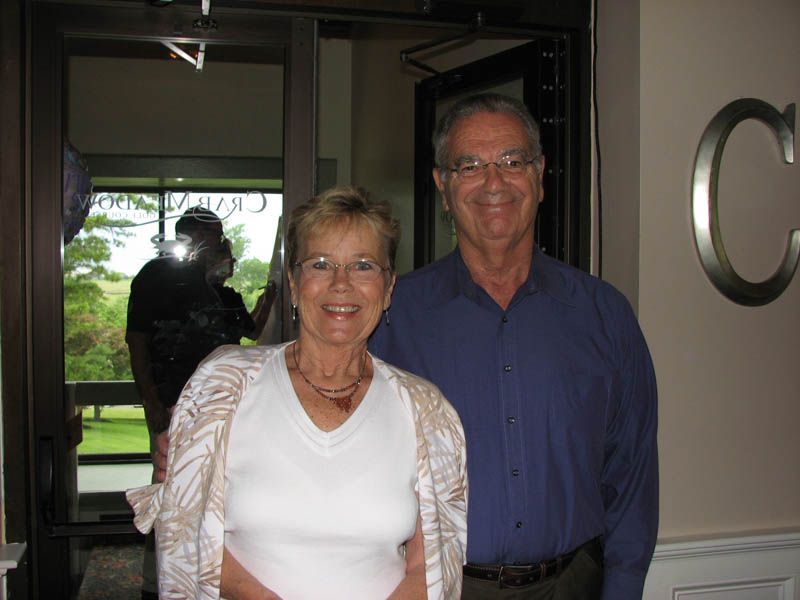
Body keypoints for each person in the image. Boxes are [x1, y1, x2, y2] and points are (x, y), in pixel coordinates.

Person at [369, 94, 658, 599]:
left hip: (577, 585)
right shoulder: (392, 316)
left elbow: (631, 474)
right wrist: (198, 436)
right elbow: (314, 402)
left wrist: (623, 588)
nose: (494, 182)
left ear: (540, 174)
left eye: (511, 161)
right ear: (443, 185)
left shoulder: (604, 315)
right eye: (470, 165)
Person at [128, 186, 468, 599]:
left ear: (388, 287)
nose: (341, 283)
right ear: (293, 281)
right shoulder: (222, 386)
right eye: (321, 264)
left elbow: (434, 561)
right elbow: (185, 525)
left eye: (363, 265)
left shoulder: (426, 410)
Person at [126, 206, 275, 599]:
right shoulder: (157, 277)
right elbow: (136, 340)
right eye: (213, 236)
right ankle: (160, 582)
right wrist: (151, 402)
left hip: (223, 404)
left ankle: (219, 577)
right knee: (171, 491)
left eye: (221, 236)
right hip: (172, 402)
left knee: (222, 489)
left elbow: (250, 332)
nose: (221, 243)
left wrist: (269, 295)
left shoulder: (221, 290)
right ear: (190, 238)